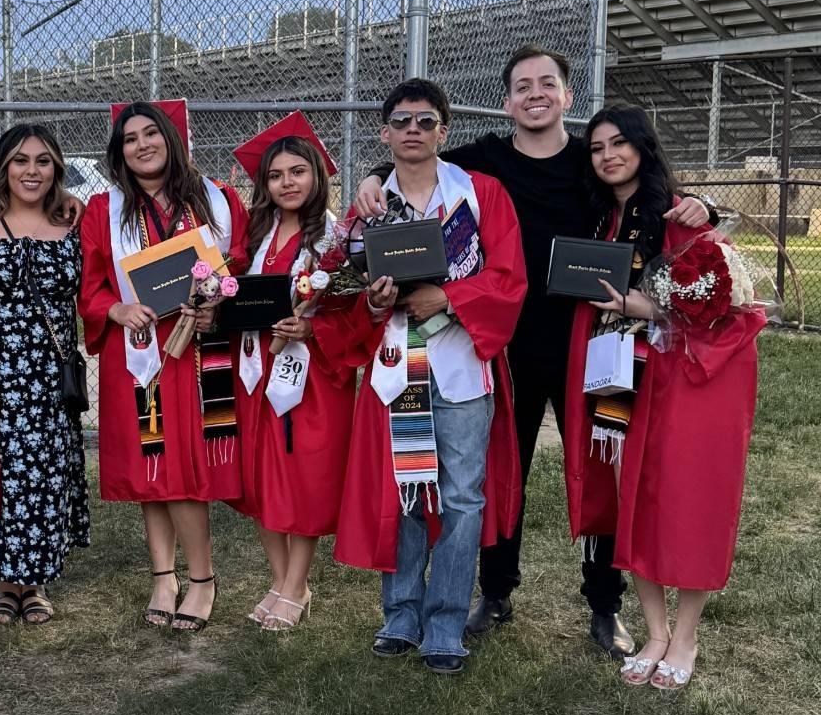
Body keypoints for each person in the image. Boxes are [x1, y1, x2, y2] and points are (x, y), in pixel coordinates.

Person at [351, 45, 714, 660]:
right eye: (523, 86)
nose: (536, 94)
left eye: (548, 84)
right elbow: (411, 158)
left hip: (592, 340)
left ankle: (605, 602)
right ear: (506, 100)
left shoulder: (591, 160)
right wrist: (367, 178)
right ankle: (494, 593)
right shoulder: (482, 165)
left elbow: (648, 198)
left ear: (568, 96)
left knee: (601, 467)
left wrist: (701, 204)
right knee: (497, 475)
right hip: (499, 346)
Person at [564, 107, 765, 690]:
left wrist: (646, 308)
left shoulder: (681, 216)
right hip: (617, 379)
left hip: (679, 384)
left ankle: (686, 633)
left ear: (643, 148)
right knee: (633, 500)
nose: (608, 156)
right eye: (597, 148)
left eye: (619, 144)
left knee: (688, 501)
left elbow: (725, 305)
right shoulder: (599, 218)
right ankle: (654, 630)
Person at [335, 80, 526, 674]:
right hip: (397, 368)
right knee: (406, 492)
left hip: (461, 367)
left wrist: (445, 298)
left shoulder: (479, 194)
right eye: (401, 120)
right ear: (384, 132)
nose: (413, 129)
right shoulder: (367, 207)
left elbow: (508, 274)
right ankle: (401, 615)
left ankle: (445, 623)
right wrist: (371, 301)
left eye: (425, 120)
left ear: (444, 130)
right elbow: (341, 292)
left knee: (463, 497)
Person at [79, 99, 246, 634]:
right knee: (153, 464)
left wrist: (218, 300)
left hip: (199, 353)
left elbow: (239, 260)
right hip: (142, 353)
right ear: (119, 151)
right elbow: (91, 283)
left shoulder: (216, 200)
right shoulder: (102, 210)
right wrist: (116, 308)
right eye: (130, 138)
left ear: (172, 140)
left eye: (152, 133)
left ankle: (201, 579)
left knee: (183, 472)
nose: (142, 144)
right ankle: (163, 576)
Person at [230, 112, 365, 631]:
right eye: (275, 175)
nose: (286, 183)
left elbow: (356, 316)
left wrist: (312, 331)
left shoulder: (336, 241)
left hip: (312, 375)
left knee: (303, 475)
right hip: (255, 369)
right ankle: (282, 580)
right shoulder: (254, 234)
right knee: (261, 475)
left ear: (316, 176)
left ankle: (296, 584)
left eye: (297, 172)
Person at [0, 123, 90, 624]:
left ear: (56, 168)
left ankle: (33, 584)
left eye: (42, 161)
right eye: (20, 160)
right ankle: (5, 583)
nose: (31, 171)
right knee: (1, 472)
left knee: (43, 473)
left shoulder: (75, 224)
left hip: (48, 375)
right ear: (2, 167)